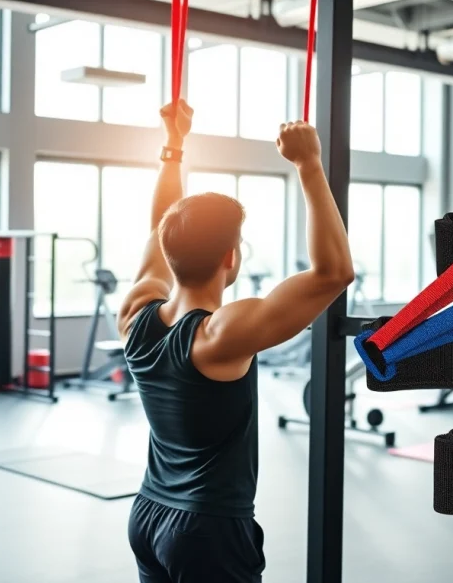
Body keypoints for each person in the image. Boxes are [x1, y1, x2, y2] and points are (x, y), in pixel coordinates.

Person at [118, 99, 355, 583]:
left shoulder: (136, 313)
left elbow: (159, 227)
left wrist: (174, 147)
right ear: (231, 257)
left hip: (147, 514)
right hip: (207, 530)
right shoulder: (218, 335)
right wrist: (309, 164)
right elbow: (334, 273)